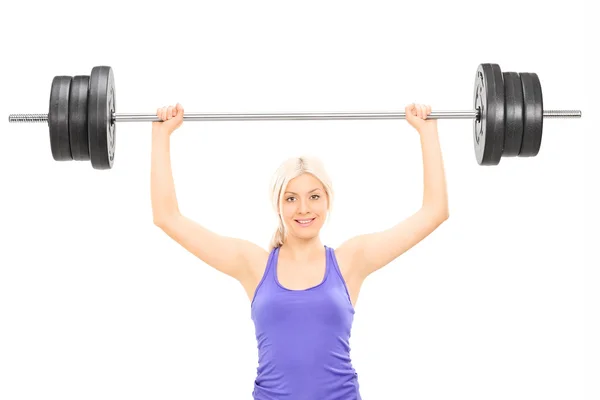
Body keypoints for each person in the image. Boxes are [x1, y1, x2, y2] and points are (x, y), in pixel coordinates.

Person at [150, 102, 449, 399]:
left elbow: (435, 211)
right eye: (291, 198)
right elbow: (167, 217)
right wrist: (161, 137)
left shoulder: (351, 260)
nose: (303, 209)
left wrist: (427, 132)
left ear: (327, 201)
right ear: (278, 205)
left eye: (314, 196)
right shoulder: (252, 265)